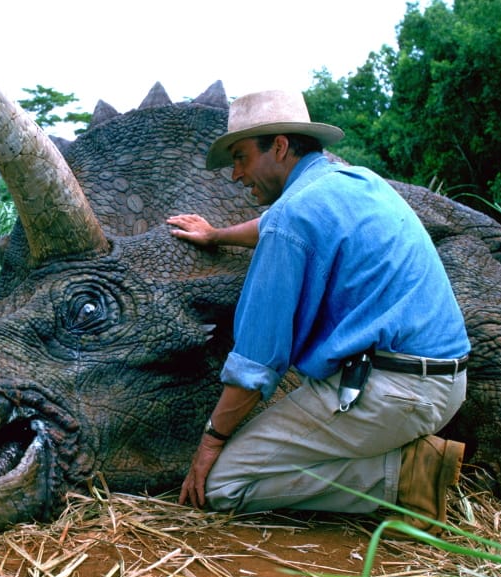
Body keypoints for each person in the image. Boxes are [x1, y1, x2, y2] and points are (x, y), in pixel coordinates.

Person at [168, 90, 470, 535]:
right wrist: (217, 235)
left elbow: (257, 362)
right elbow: (280, 224)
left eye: (241, 157)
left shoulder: (294, 215)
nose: (235, 174)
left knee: (224, 484)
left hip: (394, 392)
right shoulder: (356, 181)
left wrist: (211, 441)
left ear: (281, 147)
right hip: (445, 381)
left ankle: (403, 476)